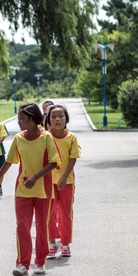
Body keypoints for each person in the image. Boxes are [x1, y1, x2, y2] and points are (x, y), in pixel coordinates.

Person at [0, 103, 59, 276]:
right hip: (22, 190)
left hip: (43, 190)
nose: (19, 122)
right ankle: (23, 264)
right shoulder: (19, 139)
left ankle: (40, 261)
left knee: (42, 227)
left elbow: (53, 162)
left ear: (32, 119)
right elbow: (9, 161)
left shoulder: (46, 138)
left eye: (21, 119)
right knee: (22, 226)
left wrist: (36, 177)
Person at [46, 104, 80, 259]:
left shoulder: (71, 137)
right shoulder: (45, 137)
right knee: (49, 213)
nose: (57, 119)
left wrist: (65, 177)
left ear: (66, 119)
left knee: (65, 213)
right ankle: (52, 242)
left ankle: (65, 243)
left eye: (61, 116)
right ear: (48, 120)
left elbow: (73, 158)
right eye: (53, 117)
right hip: (47, 182)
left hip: (67, 181)